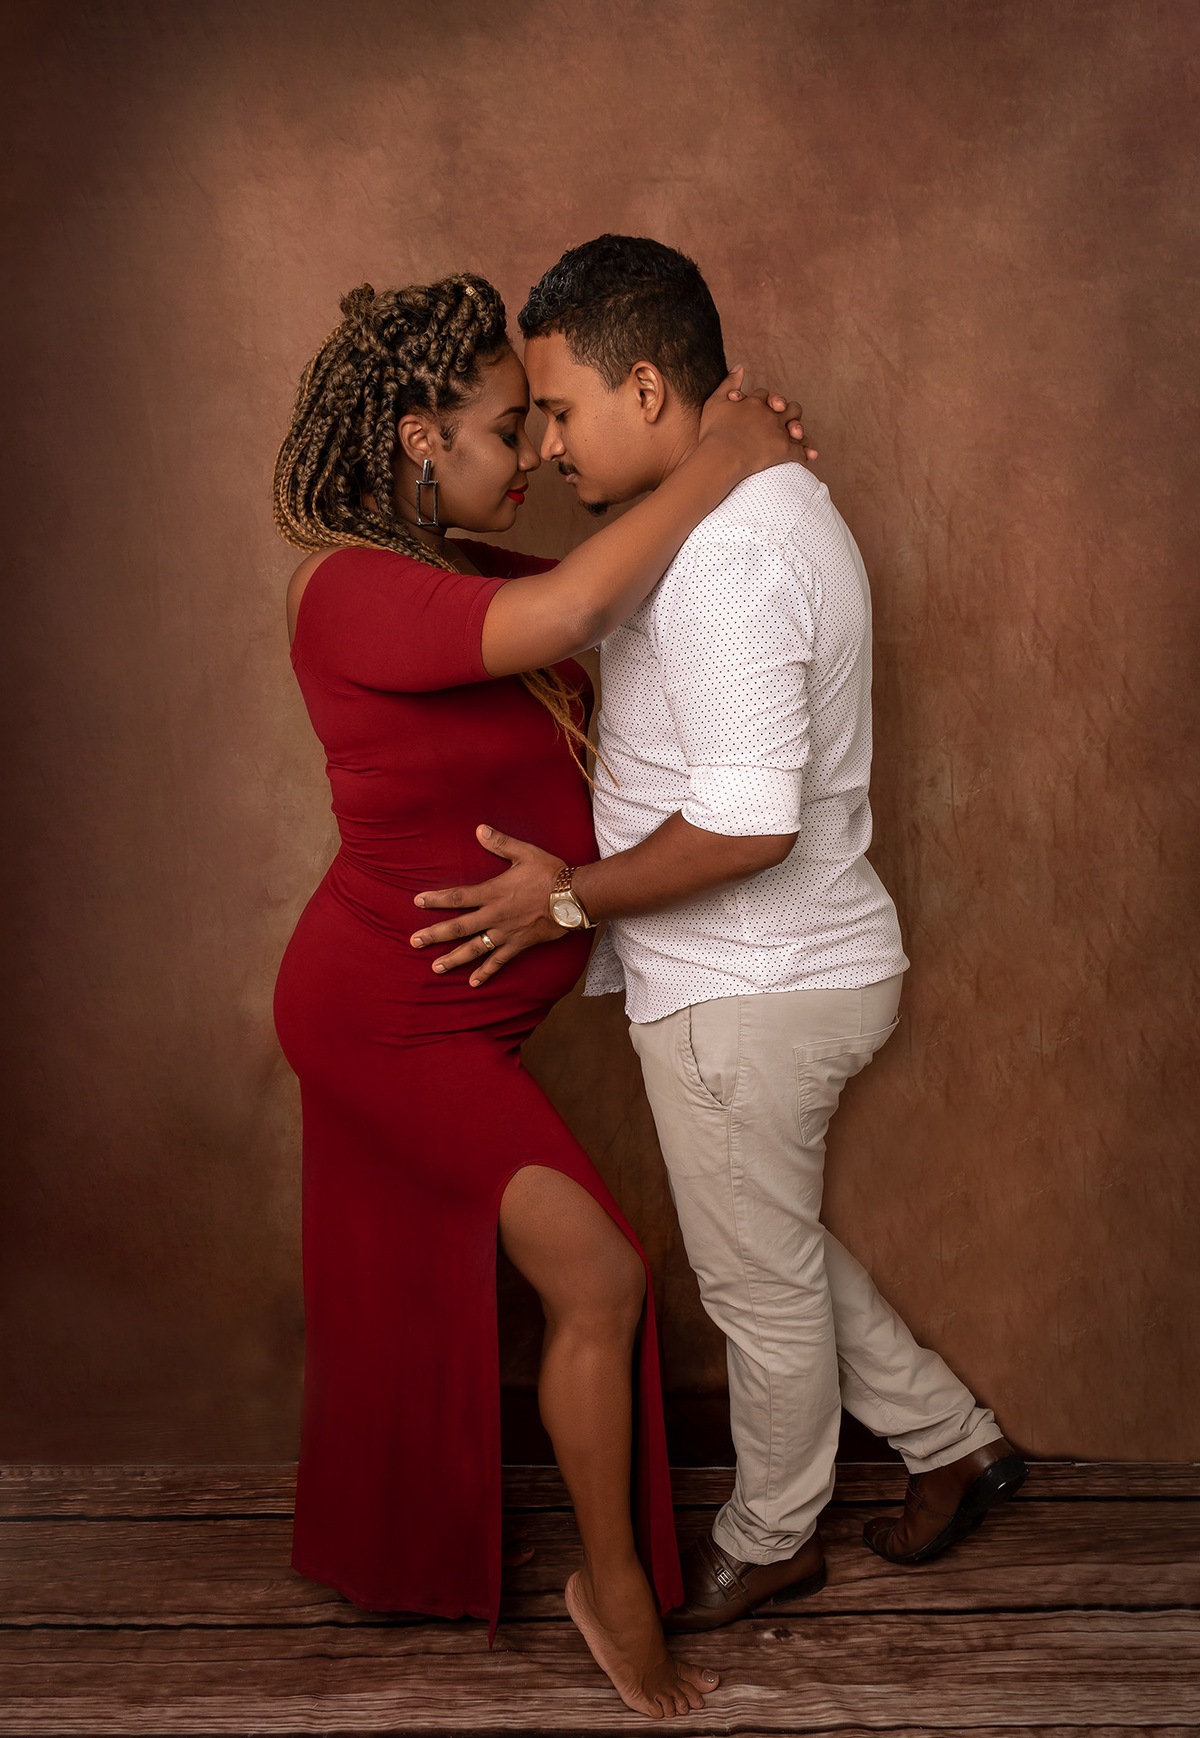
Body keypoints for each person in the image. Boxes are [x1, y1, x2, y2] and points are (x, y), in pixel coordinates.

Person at [411, 236, 1030, 1632]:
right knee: (774, 1244)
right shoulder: (740, 504)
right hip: (785, 968)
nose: (548, 444)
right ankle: (952, 1440)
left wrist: (567, 895)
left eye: (560, 410)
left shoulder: (734, 556)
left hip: (746, 986)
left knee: (757, 1285)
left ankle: (771, 1534)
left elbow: (749, 829)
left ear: (647, 389)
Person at [271, 271, 808, 1717]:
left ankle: (410, 1544)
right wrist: (728, 450)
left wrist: (727, 489)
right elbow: (582, 598)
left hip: (452, 1009)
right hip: (386, 1017)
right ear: (419, 436)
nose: (536, 458)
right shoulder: (348, 589)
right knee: (605, 1276)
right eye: (510, 429)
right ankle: (614, 1591)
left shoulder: (442, 569)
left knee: (440, 1286)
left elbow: (612, 601)